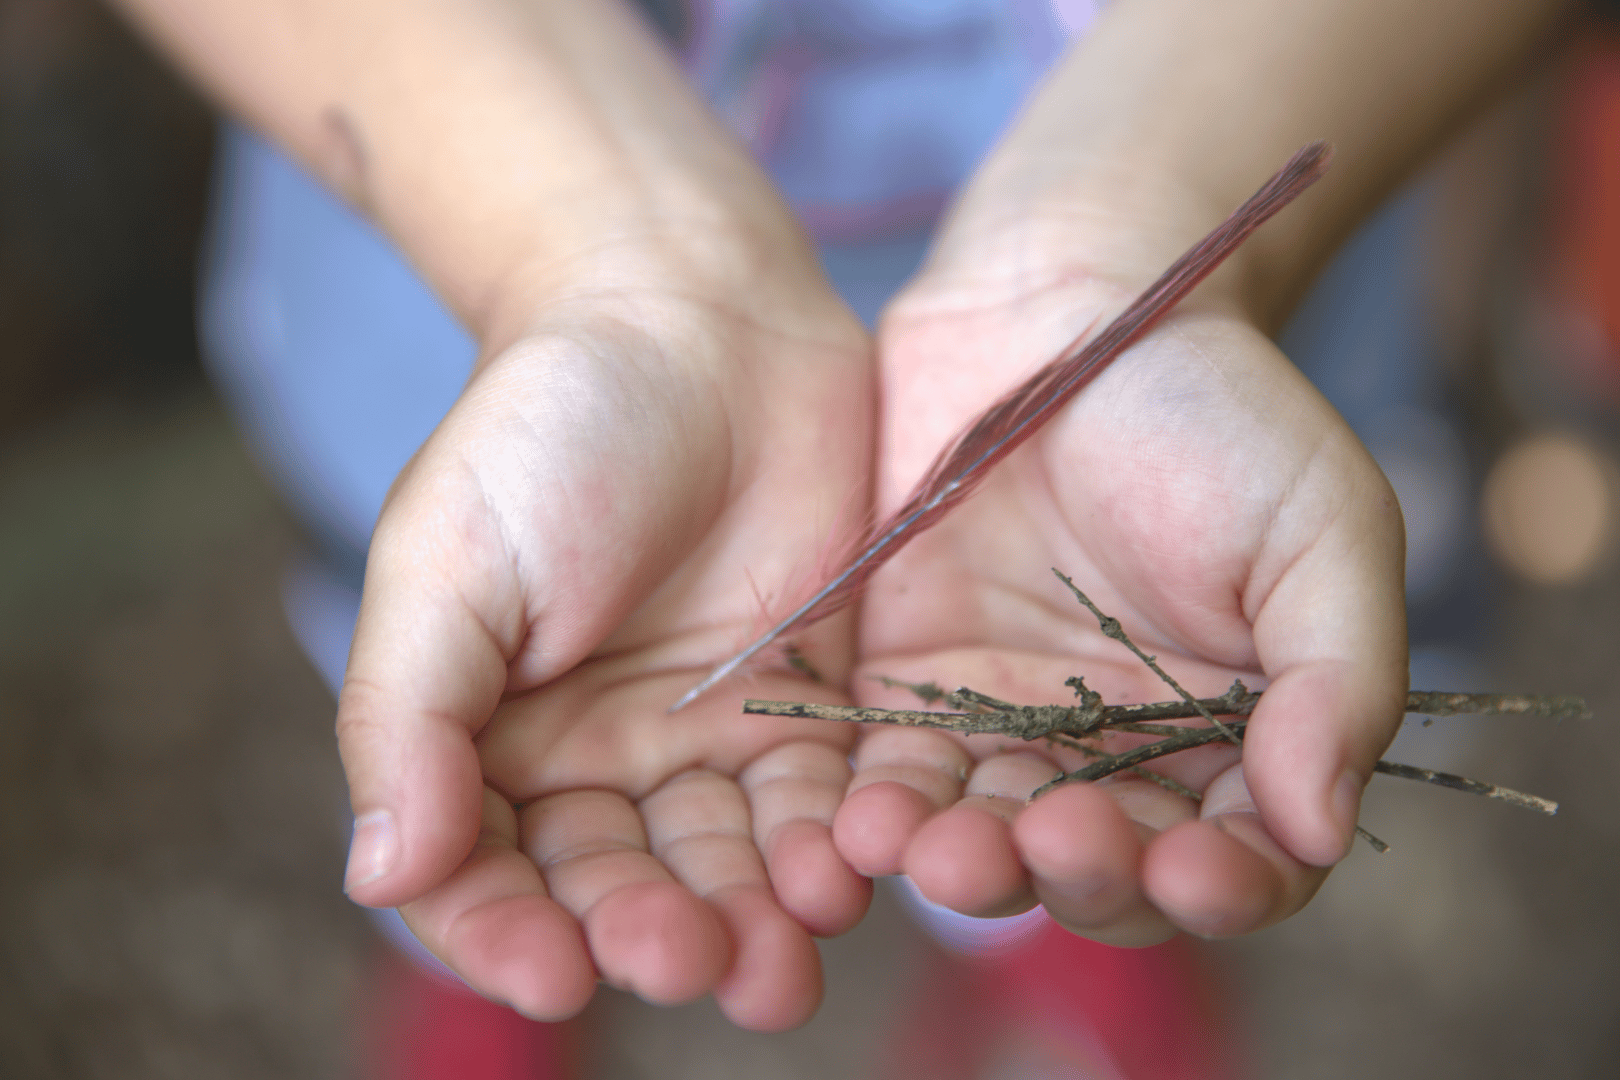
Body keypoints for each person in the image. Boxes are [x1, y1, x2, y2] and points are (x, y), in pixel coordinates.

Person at [108, 0, 1570, 1060]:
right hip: (455, 219)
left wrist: (1134, 222)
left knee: (1122, 701)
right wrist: (600, 258)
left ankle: (1052, 925)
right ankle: (504, 955)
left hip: (1238, 172)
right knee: (477, 671)